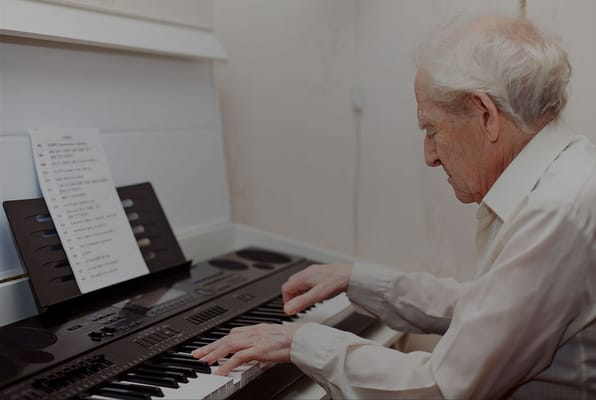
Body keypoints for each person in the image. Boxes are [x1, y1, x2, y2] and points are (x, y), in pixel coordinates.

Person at [192, 15, 596, 399]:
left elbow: (443, 388)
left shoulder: (554, 211)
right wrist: (360, 280)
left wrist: (302, 339)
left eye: (431, 129)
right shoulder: (562, 175)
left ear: (485, 115)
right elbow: (492, 310)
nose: (430, 156)